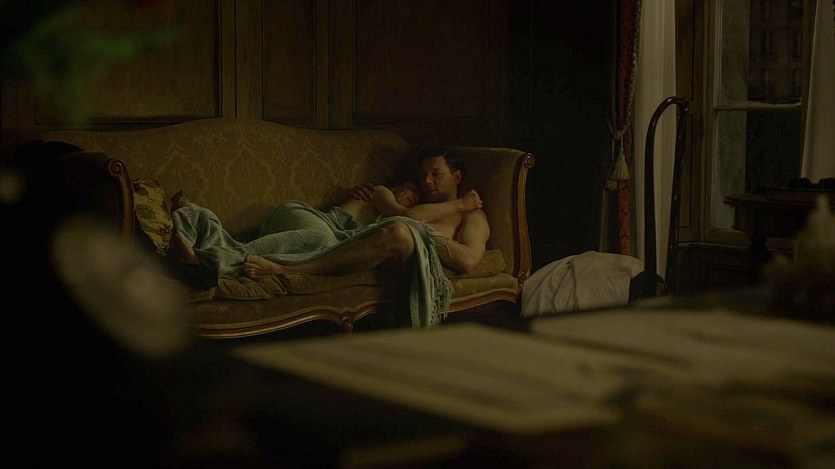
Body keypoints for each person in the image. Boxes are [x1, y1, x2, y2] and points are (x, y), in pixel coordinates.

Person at [243, 147, 490, 278]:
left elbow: (468, 260)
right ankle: (239, 255)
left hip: (380, 244)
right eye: (422, 175)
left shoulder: (472, 217)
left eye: (436, 174)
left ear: (457, 177)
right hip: (329, 226)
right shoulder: (401, 195)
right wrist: (459, 203)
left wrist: (425, 232)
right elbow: (407, 216)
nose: (426, 181)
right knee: (397, 230)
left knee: (399, 233)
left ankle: (285, 269)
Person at [167, 180, 421, 275]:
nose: (414, 198)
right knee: (322, 241)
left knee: (324, 246)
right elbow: (409, 216)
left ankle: (196, 218)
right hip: (311, 219)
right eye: (411, 191)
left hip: (307, 236)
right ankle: (208, 262)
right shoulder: (382, 193)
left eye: (418, 198)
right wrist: (449, 205)